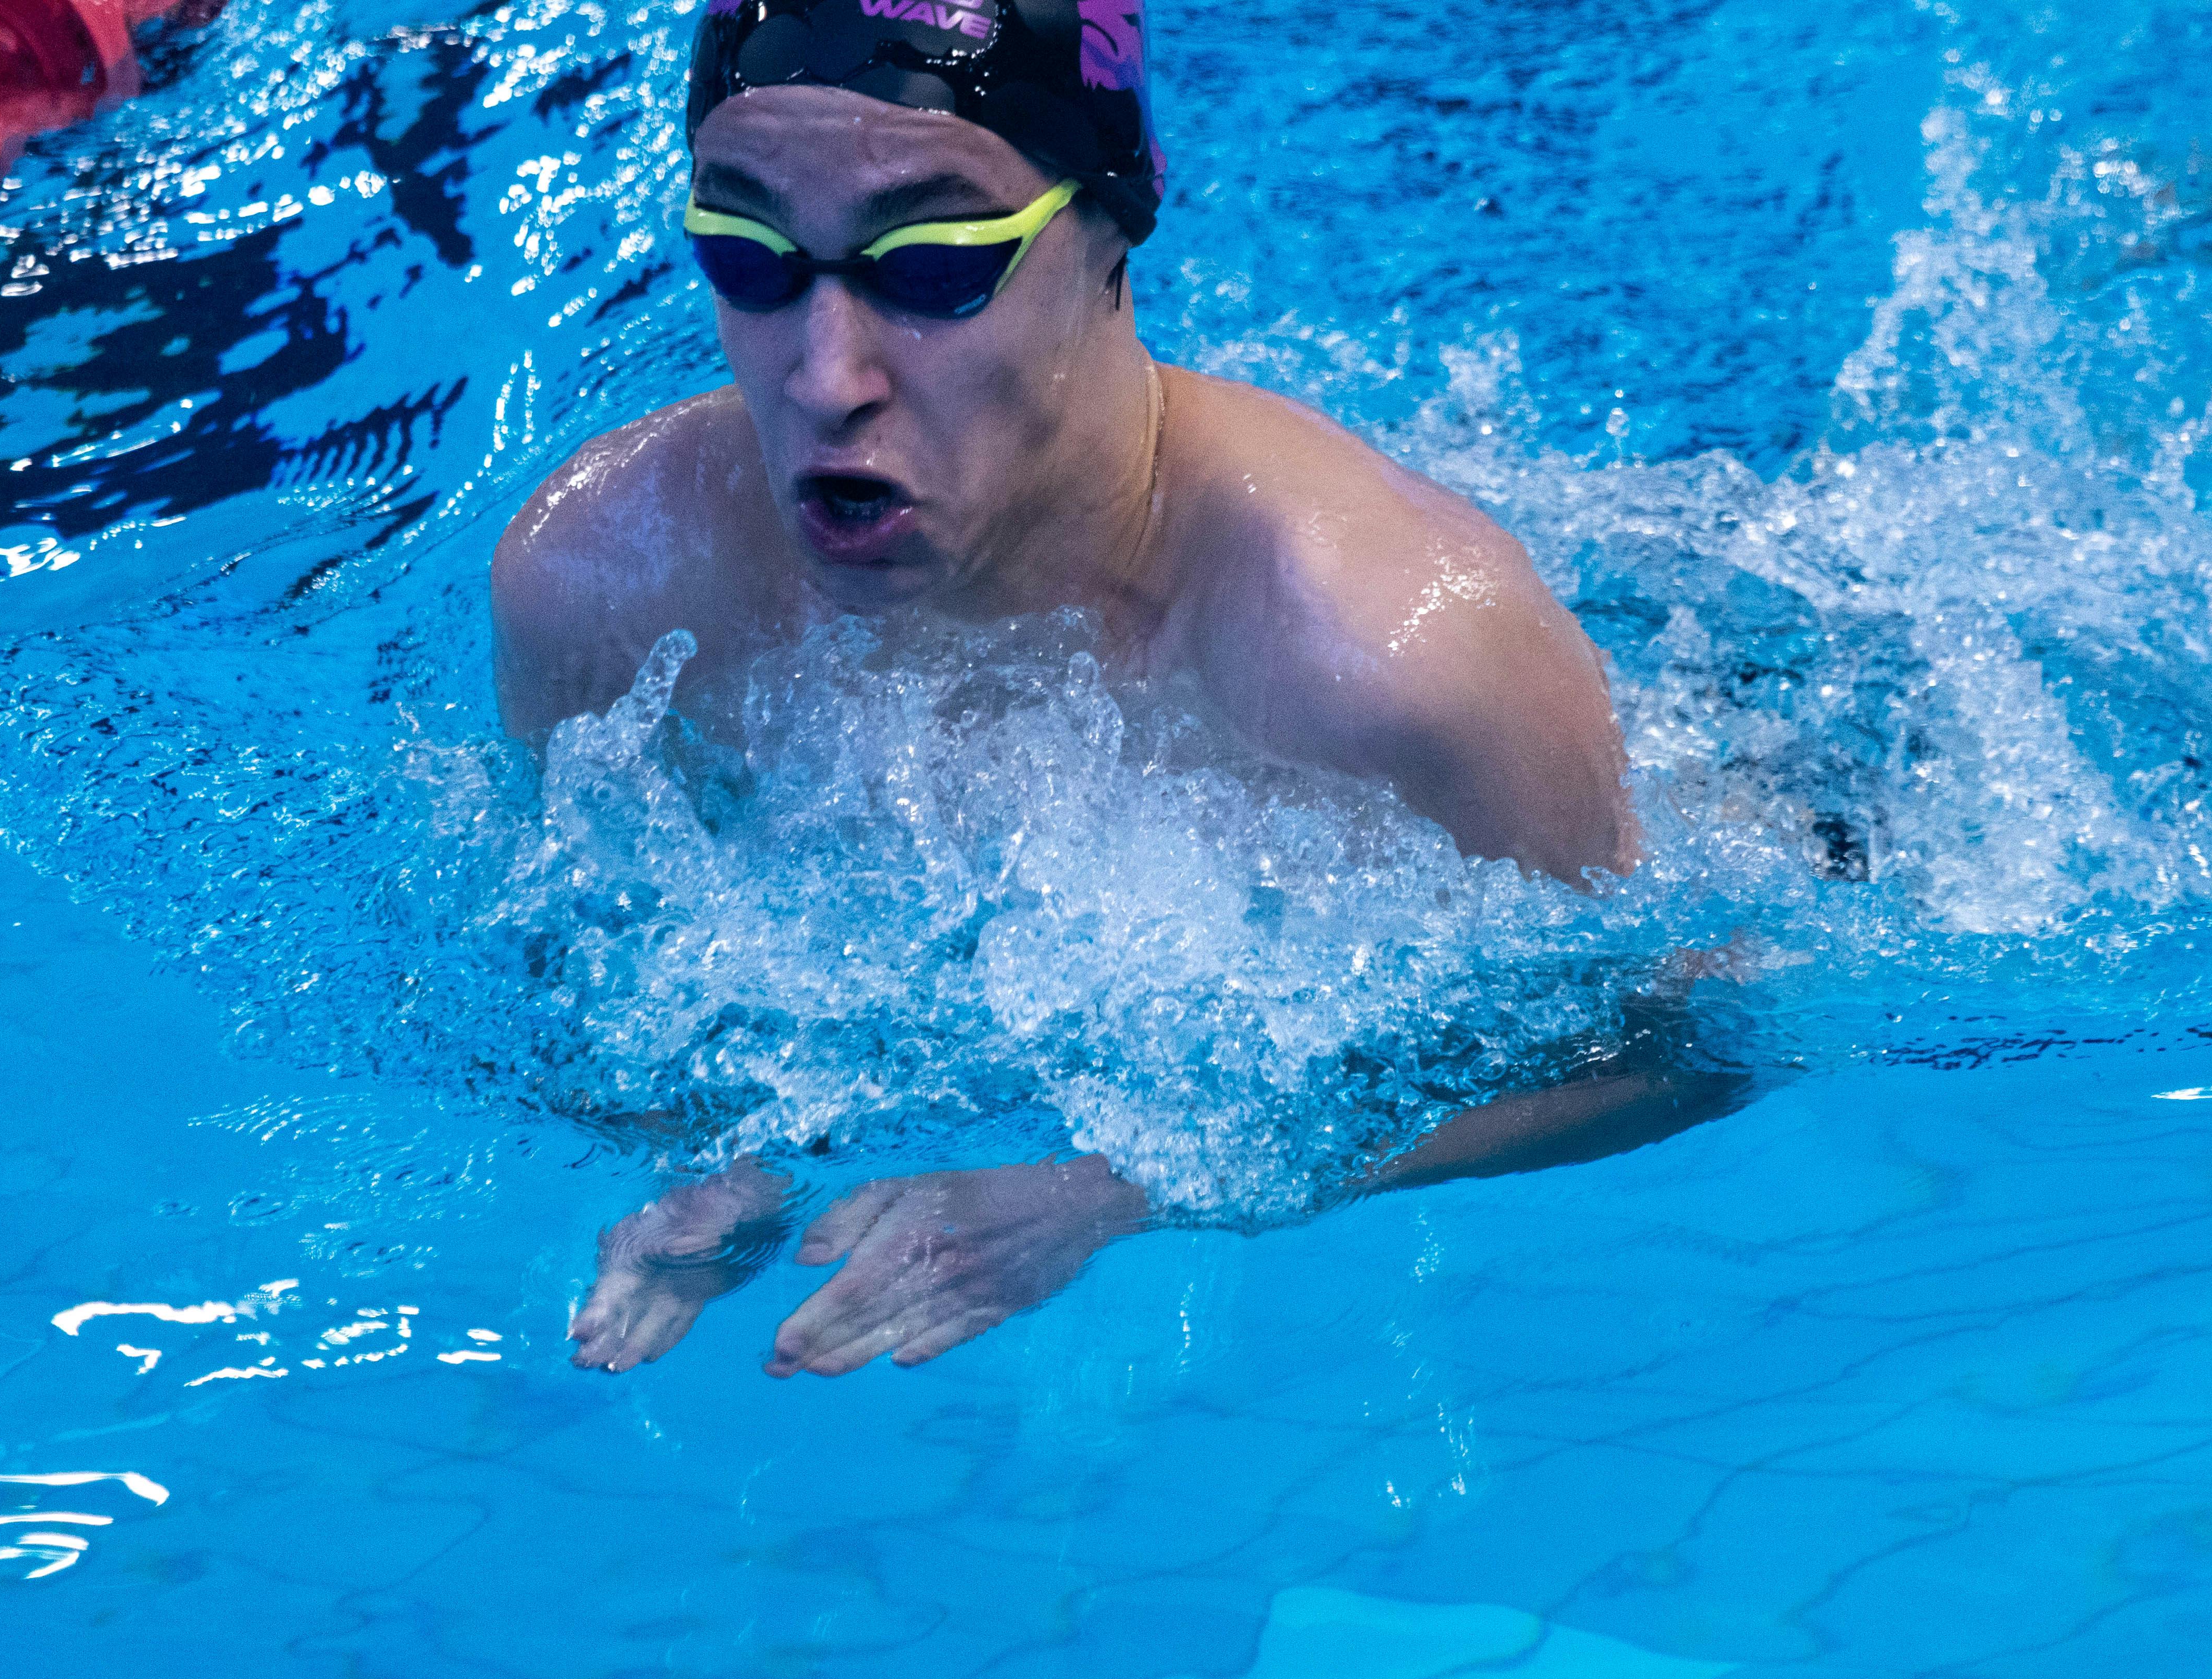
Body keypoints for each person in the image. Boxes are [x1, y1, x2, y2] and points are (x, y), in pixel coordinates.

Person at [493, 0, 1725, 1379]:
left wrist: (1132, 1189)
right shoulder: (606, 577)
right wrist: (700, 1152)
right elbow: (591, 947)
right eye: (749, 254)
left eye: (938, 265)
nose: (827, 375)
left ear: (1110, 240)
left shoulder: (1390, 660)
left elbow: (1683, 1044)